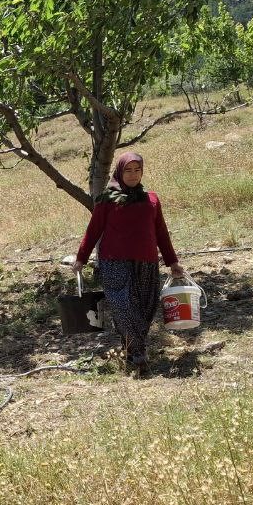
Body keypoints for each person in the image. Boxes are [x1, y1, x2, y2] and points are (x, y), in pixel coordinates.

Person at [72, 152, 185, 378]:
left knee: (145, 309)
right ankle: (138, 353)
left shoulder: (151, 199)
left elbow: (161, 233)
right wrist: (81, 258)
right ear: (119, 172)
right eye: (128, 170)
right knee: (123, 306)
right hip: (114, 263)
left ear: (142, 172)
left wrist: (172, 261)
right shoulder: (107, 199)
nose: (133, 175)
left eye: (137, 170)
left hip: (147, 263)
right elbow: (93, 230)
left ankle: (131, 347)